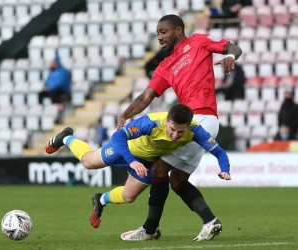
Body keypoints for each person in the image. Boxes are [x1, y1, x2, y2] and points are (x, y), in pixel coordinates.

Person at [116, 14, 242, 241]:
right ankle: (210, 221)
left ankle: (149, 229)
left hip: (199, 120)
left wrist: (231, 55)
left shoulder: (199, 42)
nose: (159, 37)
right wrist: (126, 114)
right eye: (157, 33)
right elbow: (147, 96)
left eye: (163, 32)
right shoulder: (165, 66)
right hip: (198, 123)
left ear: (178, 30)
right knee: (177, 180)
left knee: (158, 170)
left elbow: (232, 47)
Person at [45, 104, 231, 234]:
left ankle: (100, 199)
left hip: (148, 161)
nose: (175, 136)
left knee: (129, 197)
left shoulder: (196, 131)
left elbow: (219, 152)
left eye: (180, 132)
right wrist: (132, 161)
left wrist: (225, 169)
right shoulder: (151, 123)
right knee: (88, 162)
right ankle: (66, 138)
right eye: (172, 129)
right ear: (167, 120)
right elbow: (118, 136)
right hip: (126, 149)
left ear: (188, 126)